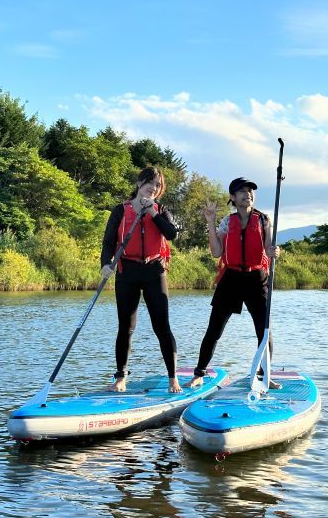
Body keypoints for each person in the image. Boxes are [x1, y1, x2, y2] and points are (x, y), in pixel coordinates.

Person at [186, 177, 281, 389]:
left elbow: (268, 249)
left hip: (257, 278)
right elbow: (216, 252)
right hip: (231, 279)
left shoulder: (264, 220)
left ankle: (263, 375)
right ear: (233, 197)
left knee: (264, 331)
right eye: (242, 191)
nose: (247, 194)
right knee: (214, 330)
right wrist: (210, 222)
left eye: (250, 191)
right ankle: (199, 373)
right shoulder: (227, 222)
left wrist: (275, 251)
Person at [100, 167, 181, 393]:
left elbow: (172, 234)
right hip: (128, 271)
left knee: (162, 327)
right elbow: (108, 242)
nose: (153, 188)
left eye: (158, 185)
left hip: (154, 270)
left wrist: (152, 213)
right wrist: (106, 264)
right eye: (150, 183)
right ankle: (120, 378)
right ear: (139, 183)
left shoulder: (161, 210)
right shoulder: (119, 211)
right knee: (126, 327)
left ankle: (173, 378)